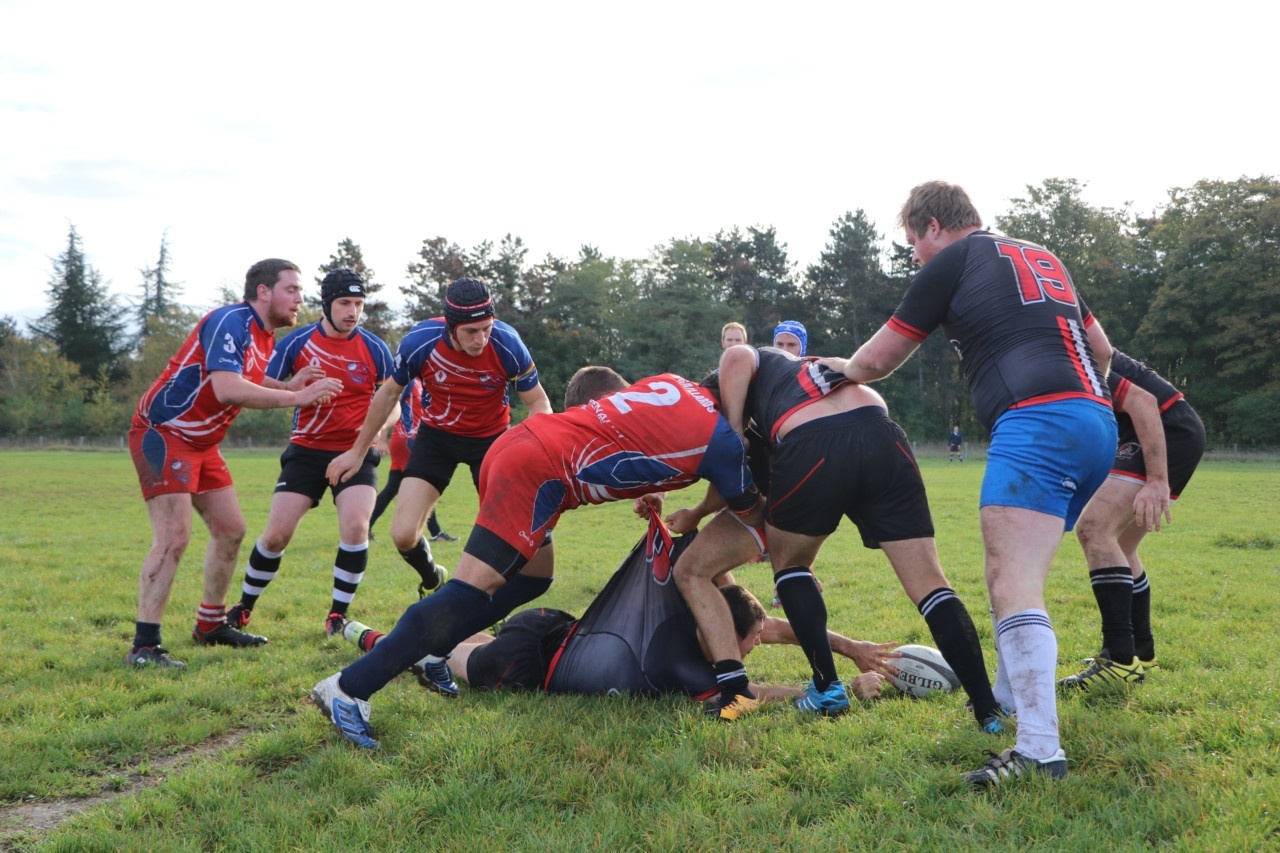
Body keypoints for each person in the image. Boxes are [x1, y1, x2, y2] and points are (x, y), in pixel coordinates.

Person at [819, 181, 1117, 787]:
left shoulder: (955, 258)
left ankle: (1039, 750)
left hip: (1039, 421)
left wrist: (840, 368)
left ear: (933, 225)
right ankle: (1010, 697)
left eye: (913, 242)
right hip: (1096, 419)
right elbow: (1102, 350)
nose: (914, 257)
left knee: (1011, 580)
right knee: (1017, 573)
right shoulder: (1041, 254)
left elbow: (877, 360)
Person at [310, 366, 764, 748]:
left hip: (524, 445)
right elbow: (751, 511)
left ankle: (435, 649)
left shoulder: (672, 383)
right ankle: (349, 688)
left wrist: (654, 488)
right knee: (470, 591)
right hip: (539, 470)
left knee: (533, 577)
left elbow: (632, 434)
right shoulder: (722, 438)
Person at [677, 345, 1002, 728]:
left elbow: (737, 355)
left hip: (812, 438)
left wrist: (733, 432)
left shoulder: (751, 370)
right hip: (882, 433)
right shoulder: (805, 370)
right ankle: (987, 708)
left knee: (790, 564)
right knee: (931, 584)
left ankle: (827, 690)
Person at [343, 517, 896, 702]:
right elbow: (749, 695)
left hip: (557, 627)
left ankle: (366, 630)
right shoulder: (678, 661)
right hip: (528, 664)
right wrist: (837, 691)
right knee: (440, 658)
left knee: (452, 641)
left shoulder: (700, 607)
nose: (756, 646)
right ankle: (374, 642)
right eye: (749, 643)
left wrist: (851, 648)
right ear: (725, 632)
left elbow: (771, 627)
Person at [125, 259, 343, 669]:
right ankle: (144, 647)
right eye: (292, 289)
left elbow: (246, 377)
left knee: (231, 529)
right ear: (264, 291)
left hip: (202, 444)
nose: (300, 298)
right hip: (165, 434)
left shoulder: (263, 334)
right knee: (173, 538)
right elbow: (227, 388)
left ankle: (210, 625)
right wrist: (296, 398)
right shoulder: (231, 321)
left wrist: (286, 384)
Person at [326, 278, 552, 599]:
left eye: (486, 328)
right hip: (437, 439)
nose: (481, 339)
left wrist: (526, 447)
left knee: (504, 532)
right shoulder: (421, 341)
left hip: (491, 441)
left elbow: (539, 402)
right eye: (471, 331)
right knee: (403, 534)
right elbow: (388, 394)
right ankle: (434, 578)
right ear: (451, 326)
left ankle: (495, 604)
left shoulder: (507, 343)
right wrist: (357, 451)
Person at [223, 269, 394, 639]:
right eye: (345, 303)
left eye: (359, 304)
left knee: (356, 527)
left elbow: (392, 401)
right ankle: (243, 607)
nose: (353, 311)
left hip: (355, 451)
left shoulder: (375, 348)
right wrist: (291, 386)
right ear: (327, 304)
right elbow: (253, 380)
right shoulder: (297, 343)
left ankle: (337, 616)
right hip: (306, 450)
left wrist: (378, 431)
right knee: (276, 535)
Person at [1059, 349, 1205, 689]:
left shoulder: (1059, 347)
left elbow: (1143, 402)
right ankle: (1140, 650)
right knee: (1121, 547)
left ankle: (1119, 659)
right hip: (1166, 428)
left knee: (1095, 528)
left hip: (1166, 427)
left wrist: (1157, 480)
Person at [368, 378, 457, 543]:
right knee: (425, 485)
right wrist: (383, 438)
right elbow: (390, 403)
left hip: (408, 439)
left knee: (392, 488)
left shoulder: (419, 380)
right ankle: (436, 532)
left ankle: (366, 527)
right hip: (407, 439)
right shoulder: (406, 379)